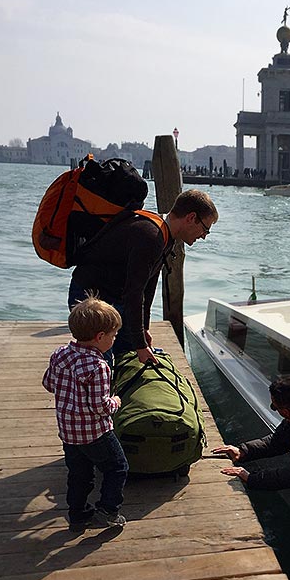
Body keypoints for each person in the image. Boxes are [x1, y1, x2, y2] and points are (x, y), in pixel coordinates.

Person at [69, 189, 218, 364]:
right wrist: (140, 344)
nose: (203, 236)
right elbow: (134, 292)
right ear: (191, 218)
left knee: (127, 357)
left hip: (116, 297)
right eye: (205, 229)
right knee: (100, 364)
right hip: (91, 298)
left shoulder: (166, 235)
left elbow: (148, 286)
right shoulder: (150, 236)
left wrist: (143, 329)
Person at [42, 295, 128, 532]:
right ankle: (108, 510)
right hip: (96, 433)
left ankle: (78, 514)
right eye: (113, 335)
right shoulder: (98, 366)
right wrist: (116, 402)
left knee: (79, 475)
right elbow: (99, 407)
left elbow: (48, 383)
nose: (114, 339)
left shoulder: (60, 354)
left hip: (68, 432)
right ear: (100, 337)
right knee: (117, 467)